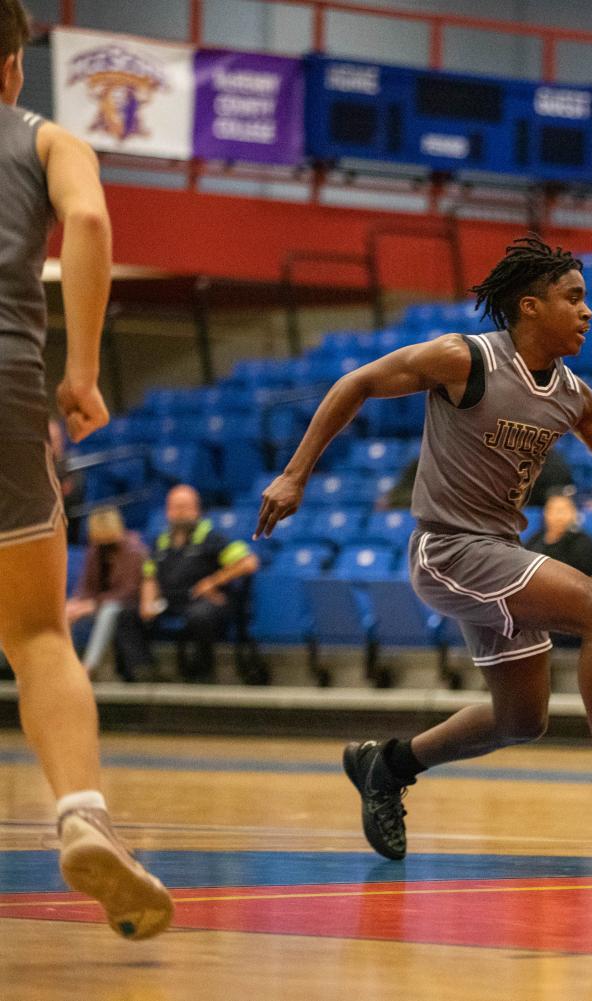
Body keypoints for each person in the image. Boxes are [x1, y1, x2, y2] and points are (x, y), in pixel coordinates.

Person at [257, 235, 592, 859]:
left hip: (496, 552)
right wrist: (295, 474)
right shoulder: (464, 359)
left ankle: (387, 766)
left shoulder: (570, 393)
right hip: (448, 549)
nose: (588, 311)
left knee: (521, 721)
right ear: (530, 306)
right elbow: (357, 384)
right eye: (573, 298)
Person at [0, 0, 171, 938]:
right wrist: (79, 369)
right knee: (35, 633)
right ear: (15, 64)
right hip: (6, 388)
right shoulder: (48, 141)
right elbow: (92, 225)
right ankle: (82, 816)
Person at [138, 484, 259, 682]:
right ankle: (142, 672)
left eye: (185, 507)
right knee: (126, 614)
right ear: (167, 511)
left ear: (197, 509)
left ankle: (203, 673)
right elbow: (149, 575)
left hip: (206, 601)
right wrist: (147, 602)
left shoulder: (212, 537)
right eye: (175, 507)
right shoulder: (161, 541)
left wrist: (212, 581)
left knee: (199, 615)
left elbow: (248, 562)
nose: (180, 513)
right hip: (170, 601)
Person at [66, 506, 150, 680]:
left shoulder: (134, 550)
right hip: (98, 602)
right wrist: (78, 602)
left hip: (127, 606)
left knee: (109, 611)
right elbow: (86, 585)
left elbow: (129, 590)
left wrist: (94, 604)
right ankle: (65, 665)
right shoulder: (95, 550)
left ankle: (88, 667)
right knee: (67, 610)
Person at [524, 490, 592, 577]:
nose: (559, 516)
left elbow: (586, 573)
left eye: (563, 510)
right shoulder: (535, 539)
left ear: (573, 513)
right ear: (545, 513)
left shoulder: (582, 541)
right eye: (553, 510)